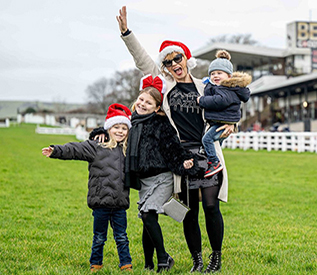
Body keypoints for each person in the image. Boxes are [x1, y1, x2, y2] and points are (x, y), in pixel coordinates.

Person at [116, 6, 235, 273]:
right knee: (190, 212)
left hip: (209, 154)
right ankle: (197, 260)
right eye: (168, 62)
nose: (173, 65)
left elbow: (231, 103)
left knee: (211, 206)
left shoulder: (206, 86)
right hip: (183, 157)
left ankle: (215, 258)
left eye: (176, 59)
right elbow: (142, 60)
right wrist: (127, 34)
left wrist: (231, 124)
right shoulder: (165, 85)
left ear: (186, 58)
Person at [41, 103, 133, 272]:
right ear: (108, 129)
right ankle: (95, 264)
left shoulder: (127, 149)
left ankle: (126, 264)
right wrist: (56, 150)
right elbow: (75, 149)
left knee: (122, 237)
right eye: (116, 127)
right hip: (100, 202)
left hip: (120, 203)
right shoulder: (95, 146)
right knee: (99, 237)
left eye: (124, 128)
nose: (120, 131)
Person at [125, 74, 199, 273]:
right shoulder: (132, 123)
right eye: (141, 99)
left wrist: (185, 162)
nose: (143, 104)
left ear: (157, 107)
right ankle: (149, 264)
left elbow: (172, 148)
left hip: (162, 178)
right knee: (147, 220)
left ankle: (163, 259)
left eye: (149, 103)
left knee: (148, 214)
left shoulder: (161, 124)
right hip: (144, 180)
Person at [197, 50, 251, 177]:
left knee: (207, 139)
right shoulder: (220, 87)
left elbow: (220, 101)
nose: (215, 76)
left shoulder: (225, 89)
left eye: (219, 73)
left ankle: (214, 163)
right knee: (215, 145)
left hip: (223, 122)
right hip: (223, 121)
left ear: (229, 76)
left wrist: (201, 100)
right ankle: (212, 158)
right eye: (213, 73)